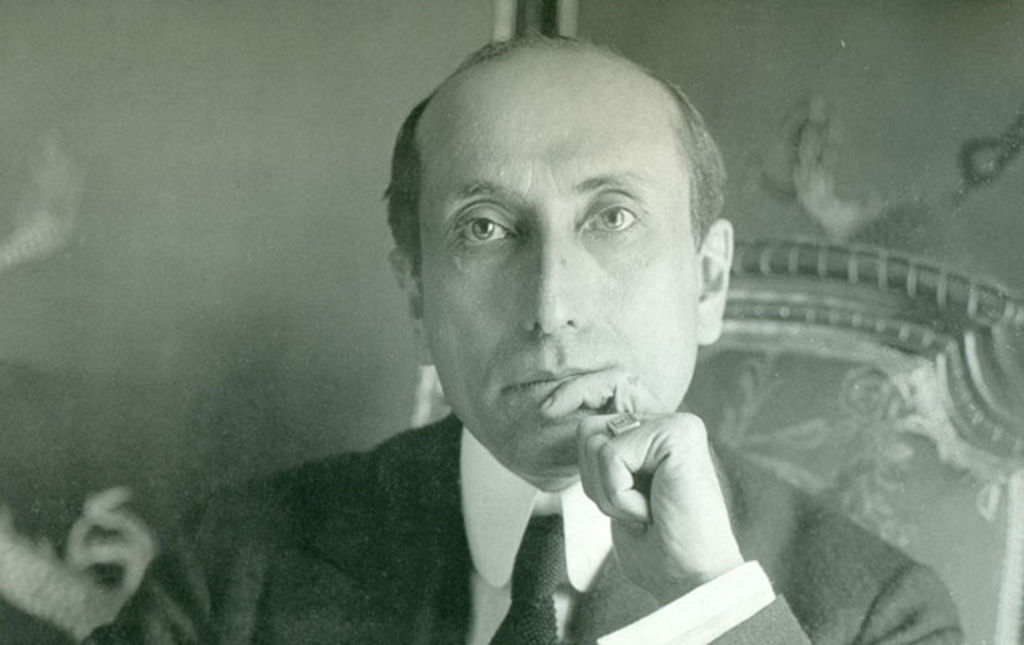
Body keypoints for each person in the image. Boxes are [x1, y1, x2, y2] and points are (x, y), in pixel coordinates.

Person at [84, 37, 961, 644]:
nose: (551, 305)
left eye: (613, 217)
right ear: (416, 291)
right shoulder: (237, 563)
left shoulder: (879, 611)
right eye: (485, 228)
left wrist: (712, 608)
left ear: (708, 281)